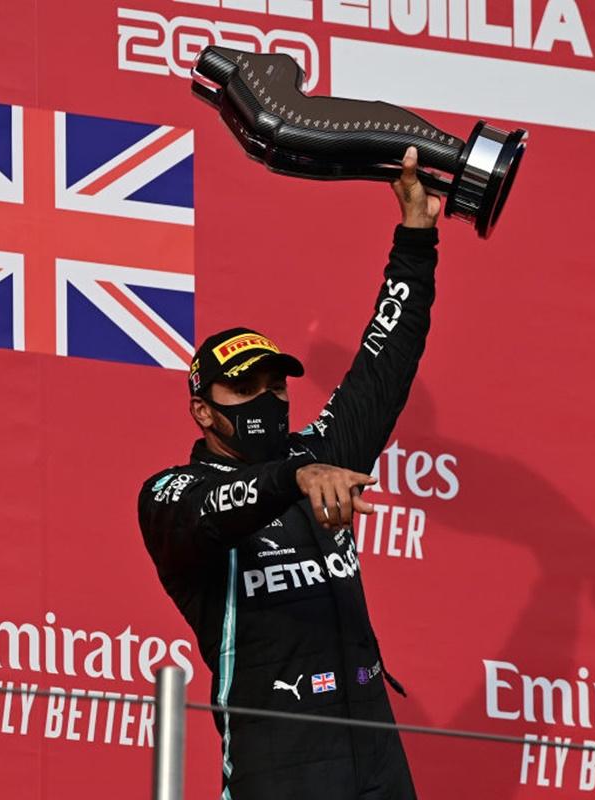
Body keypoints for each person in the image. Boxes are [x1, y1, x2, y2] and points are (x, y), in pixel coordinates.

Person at [137, 146, 442, 799]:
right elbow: (210, 512)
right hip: (279, 771)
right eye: (245, 392)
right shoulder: (173, 495)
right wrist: (295, 480)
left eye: (276, 387)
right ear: (203, 412)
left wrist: (415, 239)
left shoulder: (319, 453)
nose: (269, 402)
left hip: (379, 763)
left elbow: (382, 365)